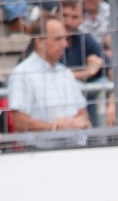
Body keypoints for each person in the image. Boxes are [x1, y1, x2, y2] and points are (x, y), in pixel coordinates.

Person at [7, 12, 91, 144]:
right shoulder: (22, 74)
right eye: (58, 39)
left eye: (65, 38)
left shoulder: (66, 73)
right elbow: (20, 122)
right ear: (39, 41)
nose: (65, 44)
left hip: (74, 151)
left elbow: (82, 113)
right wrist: (55, 127)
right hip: (39, 154)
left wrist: (79, 121)